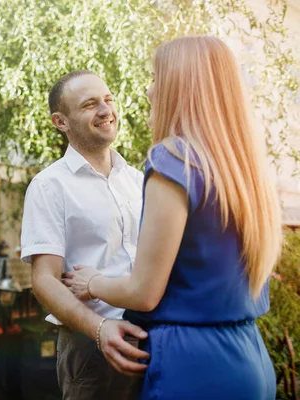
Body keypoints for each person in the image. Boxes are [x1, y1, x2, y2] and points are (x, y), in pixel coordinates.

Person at [64, 35, 281, 399]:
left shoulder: (175, 160)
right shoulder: (244, 169)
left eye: (155, 78)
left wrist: (93, 282)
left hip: (195, 367)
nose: (150, 91)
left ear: (181, 86)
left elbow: (144, 292)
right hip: (250, 359)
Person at [20, 70, 150, 400]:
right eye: (90, 104)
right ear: (60, 121)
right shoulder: (49, 186)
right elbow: (44, 280)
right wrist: (99, 329)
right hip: (93, 346)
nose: (106, 110)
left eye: (108, 100)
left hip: (154, 337)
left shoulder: (139, 180)